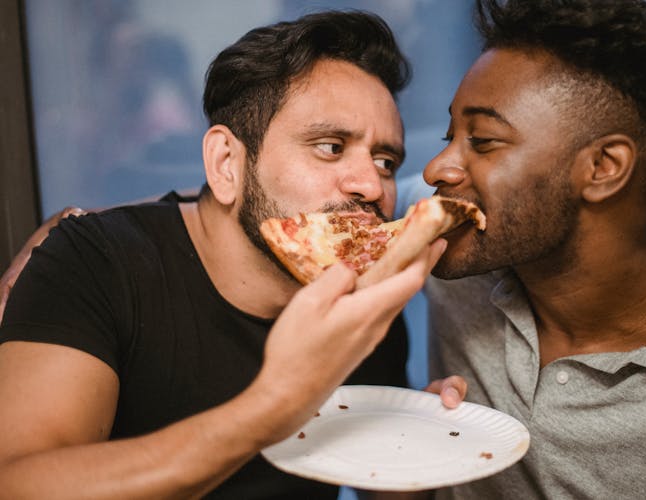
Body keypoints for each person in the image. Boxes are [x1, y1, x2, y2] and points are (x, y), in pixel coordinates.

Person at [0, 11, 463, 499]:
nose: (371, 186)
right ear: (226, 165)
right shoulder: (93, 262)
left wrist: (412, 453)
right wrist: (270, 406)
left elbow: (374, 485)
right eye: (330, 147)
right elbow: (18, 485)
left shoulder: (360, 297)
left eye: (385, 161)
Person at [418, 0, 646, 498]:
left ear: (603, 167)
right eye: (450, 135)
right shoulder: (453, 239)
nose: (436, 170)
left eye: (482, 141)